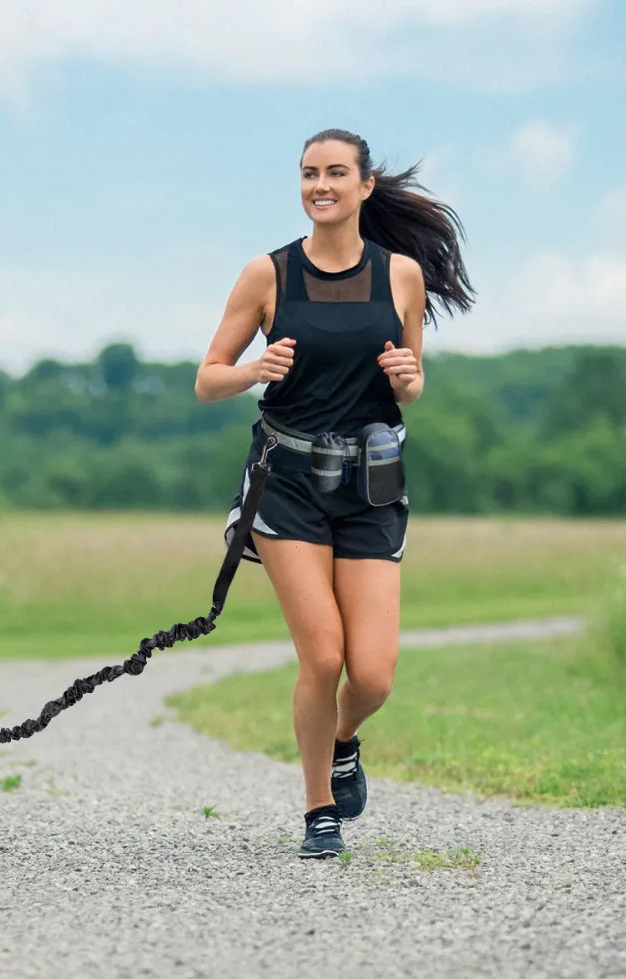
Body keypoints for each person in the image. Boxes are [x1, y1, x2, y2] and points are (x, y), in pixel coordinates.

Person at [194, 128, 474, 859]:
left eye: (336, 173)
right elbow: (207, 379)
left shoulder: (401, 276)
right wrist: (255, 371)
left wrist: (410, 381)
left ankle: (344, 738)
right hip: (286, 486)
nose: (321, 185)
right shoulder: (269, 274)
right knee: (322, 657)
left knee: (373, 675)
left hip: (371, 488)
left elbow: (406, 380)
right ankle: (319, 811)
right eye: (310, 173)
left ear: (364, 185)